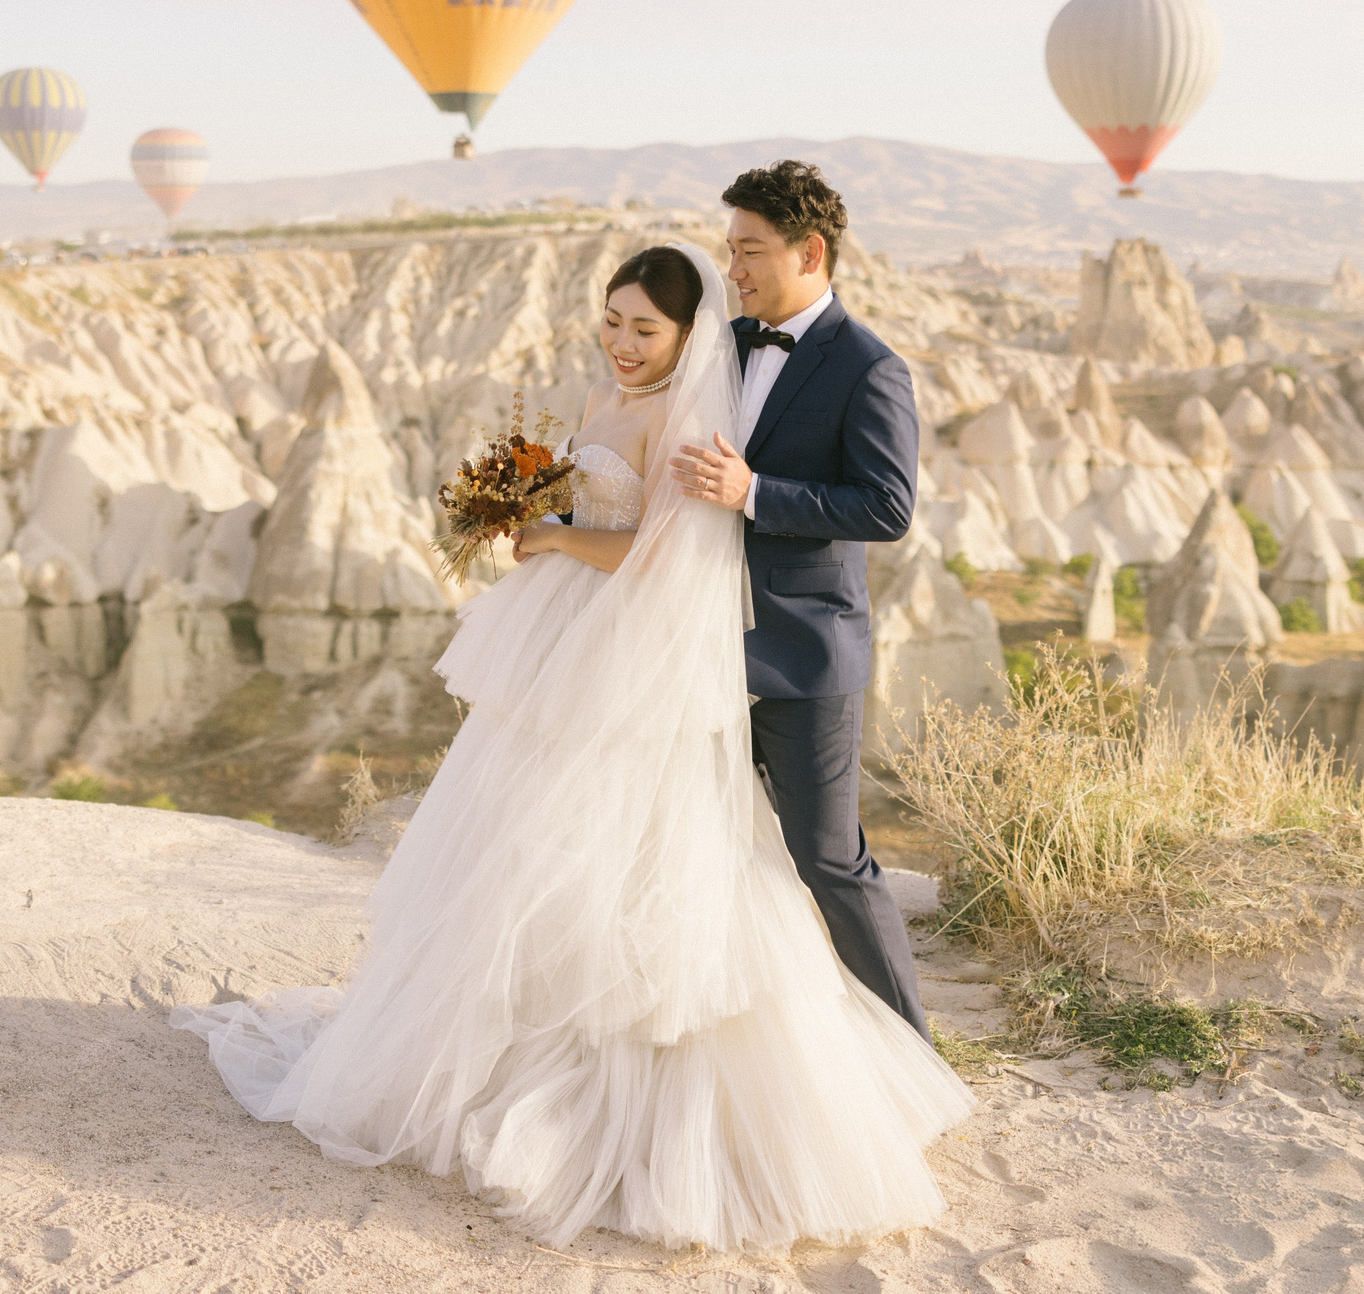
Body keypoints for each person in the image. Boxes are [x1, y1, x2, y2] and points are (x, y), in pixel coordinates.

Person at [174, 238, 972, 1253]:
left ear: (687, 337)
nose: (623, 343)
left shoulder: (685, 419)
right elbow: (591, 495)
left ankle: (655, 1094)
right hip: (569, 646)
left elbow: (660, 554)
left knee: (634, 863)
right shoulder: (601, 398)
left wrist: (552, 535)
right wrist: (529, 507)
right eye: (612, 321)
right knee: (522, 851)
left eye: (646, 329)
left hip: (624, 661)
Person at [672, 160, 931, 1039]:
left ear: (809, 252)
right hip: (698, 643)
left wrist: (753, 492)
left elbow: (886, 508)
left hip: (805, 651)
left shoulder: (869, 368)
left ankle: (912, 1052)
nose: (732, 269)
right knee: (688, 842)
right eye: (731, 248)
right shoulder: (727, 345)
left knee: (828, 860)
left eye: (749, 250)